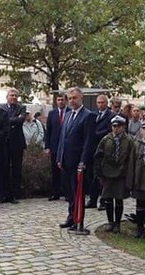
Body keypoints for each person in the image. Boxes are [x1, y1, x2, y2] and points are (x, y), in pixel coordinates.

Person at [56, 87, 93, 231]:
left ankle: (79, 220)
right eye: (70, 98)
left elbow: (88, 142)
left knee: (78, 192)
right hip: (66, 160)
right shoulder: (67, 114)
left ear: (81, 98)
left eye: (74, 98)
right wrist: (59, 157)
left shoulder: (88, 116)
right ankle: (71, 217)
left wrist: (83, 161)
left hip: (78, 162)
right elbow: (63, 138)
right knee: (69, 193)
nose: (72, 101)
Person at [94, 115, 134, 233]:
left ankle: (117, 223)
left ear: (123, 127)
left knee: (119, 199)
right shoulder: (106, 139)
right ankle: (110, 221)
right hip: (108, 173)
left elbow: (132, 158)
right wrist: (99, 172)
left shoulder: (129, 140)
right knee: (108, 198)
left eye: (118, 126)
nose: (116, 129)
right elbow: (98, 156)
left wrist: (129, 173)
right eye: (114, 126)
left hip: (121, 173)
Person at [85, 94, 114, 210]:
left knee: (103, 176)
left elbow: (109, 130)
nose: (100, 105)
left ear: (107, 103)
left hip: (104, 149)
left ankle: (104, 201)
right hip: (93, 149)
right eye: (98, 102)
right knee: (92, 176)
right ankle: (92, 199)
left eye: (102, 102)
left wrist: (95, 134)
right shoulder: (93, 115)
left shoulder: (111, 116)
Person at [2, 88, 26, 203]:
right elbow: (1, 121)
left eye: (16, 96)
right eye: (11, 95)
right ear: (7, 97)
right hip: (5, 143)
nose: (14, 97)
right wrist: (13, 120)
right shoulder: (2, 108)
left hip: (17, 143)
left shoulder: (21, 108)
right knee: (4, 168)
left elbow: (20, 120)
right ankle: (5, 193)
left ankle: (15, 194)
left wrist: (8, 120)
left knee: (16, 169)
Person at [44, 93, 67, 201]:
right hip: (54, 146)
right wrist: (47, 146)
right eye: (58, 100)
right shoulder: (52, 114)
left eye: (62, 100)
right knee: (55, 171)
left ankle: (67, 193)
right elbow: (48, 131)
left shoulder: (70, 112)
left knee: (66, 171)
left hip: (66, 146)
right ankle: (55, 192)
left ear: (66, 101)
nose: (60, 102)